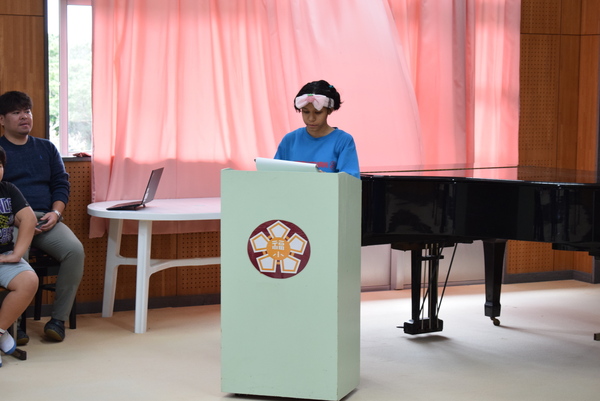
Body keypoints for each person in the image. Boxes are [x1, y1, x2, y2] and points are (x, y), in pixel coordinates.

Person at [0, 91, 85, 343]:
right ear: (2, 119)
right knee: (18, 257)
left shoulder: (47, 148)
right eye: (16, 112)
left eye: (27, 111)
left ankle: (58, 320)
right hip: (11, 220)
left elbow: (61, 184)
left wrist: (56, 213)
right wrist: (20, 220)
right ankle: (14, 325)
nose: (24, 116)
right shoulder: (0, 152)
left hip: (47, 218)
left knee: (75, 251)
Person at [0, 145, 38, 366]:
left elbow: (29, 219)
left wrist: (16, 255)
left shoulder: (8, 189)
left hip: (4, 255)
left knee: (28, 280)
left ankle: (0, 330)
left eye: (0, 165)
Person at [274, 80, 360, 178]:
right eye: (306, 112)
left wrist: (327, 179)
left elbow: (351, 180)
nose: (311, 118)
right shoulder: (290, 140)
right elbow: (274, 175)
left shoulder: (343, 141)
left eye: (318, 112)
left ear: (330, 110)